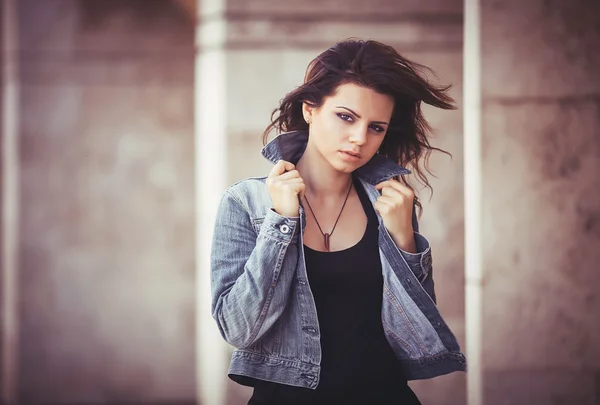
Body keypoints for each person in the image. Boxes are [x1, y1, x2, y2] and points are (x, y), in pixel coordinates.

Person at [210, 39, 467, 405]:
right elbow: (237, 328)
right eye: (346, 117)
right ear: (310, 109)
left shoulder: (391, 205)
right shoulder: (245, 203)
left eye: (376, 127)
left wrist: (404, 243)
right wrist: (280, 222)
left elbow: (413, 330)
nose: (360, 138)